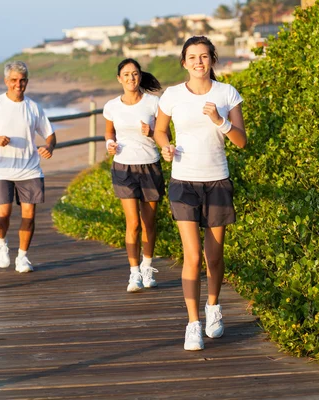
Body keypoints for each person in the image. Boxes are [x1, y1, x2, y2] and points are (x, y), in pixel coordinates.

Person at [153, 36, 247, 350]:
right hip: (183, 182)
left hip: (217, 181)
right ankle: (193, 323)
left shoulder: (227, 93)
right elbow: (160, 130)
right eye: (192, 57)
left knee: (214, 256)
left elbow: (241, 141)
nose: (198, 62)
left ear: (212, 60)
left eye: (204, 56)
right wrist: (165, 147)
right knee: (192, 256)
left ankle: (213, 307)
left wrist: (219, 121)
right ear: (184, 62)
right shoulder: (173, 95)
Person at [0, 61, 56, 273]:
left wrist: (49, 146)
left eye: (22, 80)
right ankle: (1, 242)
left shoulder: (34, 107)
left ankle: (23, 257)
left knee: (29, 215)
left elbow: (50, 134)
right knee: (4, 213)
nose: (19, 84)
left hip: (29, 169)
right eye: (14, 80)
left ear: (27, 81)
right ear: (6, 81)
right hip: (1, 169)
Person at [103, 58, 168, 292]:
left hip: (149, 165)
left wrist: (151, 132)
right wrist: (110, 143)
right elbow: (109, 131)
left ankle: (148, 267)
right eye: (126, 74)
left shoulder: (153, 102)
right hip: (123, 167)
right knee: (132, 223)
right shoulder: (111, 106)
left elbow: (165, 133)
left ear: (140, 76)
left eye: (135, 74)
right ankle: (134, 274)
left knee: (148, 222)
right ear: (119, 78)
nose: (131, 78)